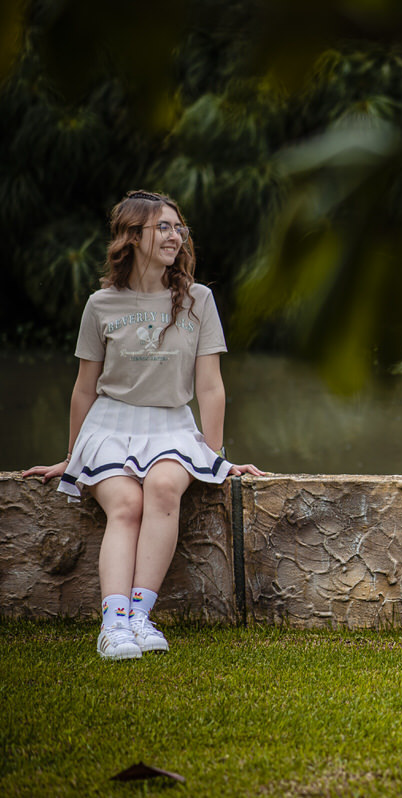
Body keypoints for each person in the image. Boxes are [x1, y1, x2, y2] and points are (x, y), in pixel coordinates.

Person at [23, 189, 265, 661]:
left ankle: (140, 615)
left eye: (180, 228)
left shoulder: (199, 300)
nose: (176, 235)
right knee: (127, 503)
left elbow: (211, 388)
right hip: (109, 425)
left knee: (161, 489)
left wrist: (214, 459)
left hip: (174, 427)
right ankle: (112, 626)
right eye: (164, 227)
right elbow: (84, 389)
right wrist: (73, 458)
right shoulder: (101, 304)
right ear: (133, 237)